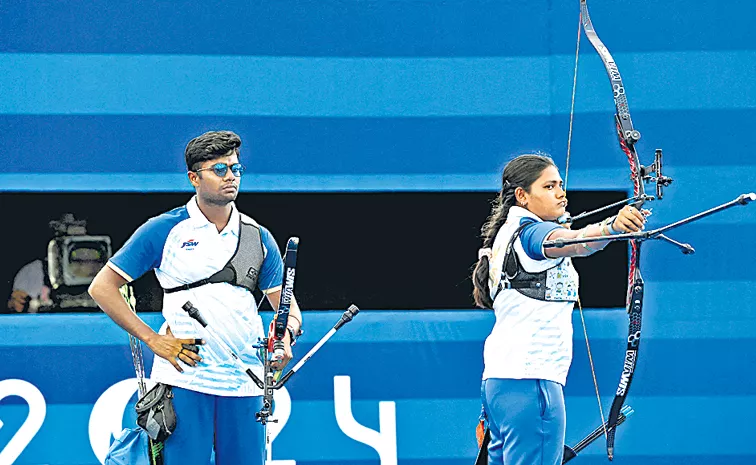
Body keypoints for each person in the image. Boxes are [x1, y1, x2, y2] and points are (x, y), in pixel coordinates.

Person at [89, 130, 303, 465]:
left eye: (235, 169)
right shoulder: (164, 229)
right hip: (185, 380)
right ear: (194, 178)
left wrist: (286, 336)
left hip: (245, 384)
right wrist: (152, 339)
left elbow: (287, 308)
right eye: (219, 170)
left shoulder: (258, 237)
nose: (231, 176)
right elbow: (101, 287)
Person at [471, 154, 647, 465]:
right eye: (549, 186)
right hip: (531, 382)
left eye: (561, 185)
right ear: (522, 196)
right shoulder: (531, 234)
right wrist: (611, 227)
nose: (560, 193)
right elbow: (572, 241)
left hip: (499, 385)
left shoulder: (507, 234)